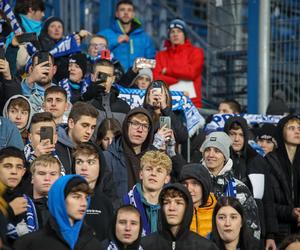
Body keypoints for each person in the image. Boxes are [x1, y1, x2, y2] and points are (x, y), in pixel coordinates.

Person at [223, 116, 277, 248]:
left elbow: (267, 199)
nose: (236, 139)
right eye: (232, 134)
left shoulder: (257, 161)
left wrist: (270, 235)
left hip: (255, 229)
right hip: (225, 226)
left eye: (241, 134)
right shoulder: (219, 159)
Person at [13, 175, 104, 250]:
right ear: (59, 199)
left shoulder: (94, 245)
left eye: (86, 198)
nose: (84, 203)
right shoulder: (29, 244)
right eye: (76, 197)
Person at [200, 131, 261, 242]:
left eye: (217, 151)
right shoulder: (195, 185)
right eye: (207, 150)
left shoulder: (239, 188)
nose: (211, 155)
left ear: (225, 157)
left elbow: (252, 228)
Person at [141, 183, 218, 250]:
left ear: (187, 208)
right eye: (166, 202)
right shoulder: (144, 245)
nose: (171, 208)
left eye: (178, 203)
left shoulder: (205, 247)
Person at [103, 107, 154, 199]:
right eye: (135, 123)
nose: (140, 129)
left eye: (145, 126)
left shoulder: (154, 159)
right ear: (126, 126)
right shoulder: (107, 157)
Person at [264, 115, 300, 244]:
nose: (297, 131)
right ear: (281, 132)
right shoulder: (269, 161)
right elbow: (266, 202)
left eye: (299, 128)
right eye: (291, 128)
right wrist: (291, 212)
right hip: (279, 231)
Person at [153, 18, 204, 108]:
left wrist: (168, 71)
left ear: (185, 35)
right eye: (172, 32)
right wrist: (177, 80)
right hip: (166, 103)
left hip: (191, 103)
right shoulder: (160, 55)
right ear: (169, 35)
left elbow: (191, 73)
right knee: (165, 123)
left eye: (179, 31)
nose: (175, 34)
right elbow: (156, 79)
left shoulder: (196, 52)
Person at [73, 142, 115, 240]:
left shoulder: (106, 202)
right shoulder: (65, 200)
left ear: (101, 166)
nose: (83, 168)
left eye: (90, 162)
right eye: (79, 162)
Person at [123, 150, 172, 236]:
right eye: (149, 169)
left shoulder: (172, 208)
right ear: (141, 174)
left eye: (159, 171)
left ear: (167, 179)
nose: (153, 174)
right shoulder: (123, 203)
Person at [99, 0, 155, 71]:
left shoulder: (144, 38)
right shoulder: (105, 34)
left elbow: (152, 62)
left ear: (133, 14)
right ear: (117, 14)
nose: (126, 13)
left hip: (137, 79)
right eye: (122, 10)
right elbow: (95, 54)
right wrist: (115, 41)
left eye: (129, 10)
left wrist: (138, 67)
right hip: (113, 79)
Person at [83, 59, 130, 128]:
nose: (104, 80)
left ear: (113, 79)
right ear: (92, 77)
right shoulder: (84, 102)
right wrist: (85, 98)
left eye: (108, 76)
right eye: (100, 75)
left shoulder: (124, 107)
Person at [56, 101, 98, 174]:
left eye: (92, 127)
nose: (89, 131)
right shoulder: (53, 146)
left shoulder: (93, 150)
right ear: (71, 123)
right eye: (85, 125)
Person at [0, 147, 31, 243]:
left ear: (23, 172)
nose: (14, 172)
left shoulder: (30, 202)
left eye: (19, 167)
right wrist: (9, 211)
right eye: (7, 166)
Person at [143, 80, 188, 144]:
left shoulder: (173, 115)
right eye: (154, 92)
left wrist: (165, 108)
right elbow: (144, 135)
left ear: (167, 96)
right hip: (148, 153)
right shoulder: (142, 113)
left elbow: (183, 137)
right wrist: (149, 106)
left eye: (161, 93)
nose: (158, 96)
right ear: (148, 95)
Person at [179, 163, 217, 238]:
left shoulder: (218, 211)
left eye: (195, 183)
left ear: (204, 186)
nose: (189, 189)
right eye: (185, 184)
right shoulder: (174, 210)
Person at [30, 154, 61, 228]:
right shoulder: (21, 208)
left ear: (59, 178)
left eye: (53, 174)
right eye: (41, 173)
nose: (47, 178)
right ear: (32, 178)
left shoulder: (68, 209)